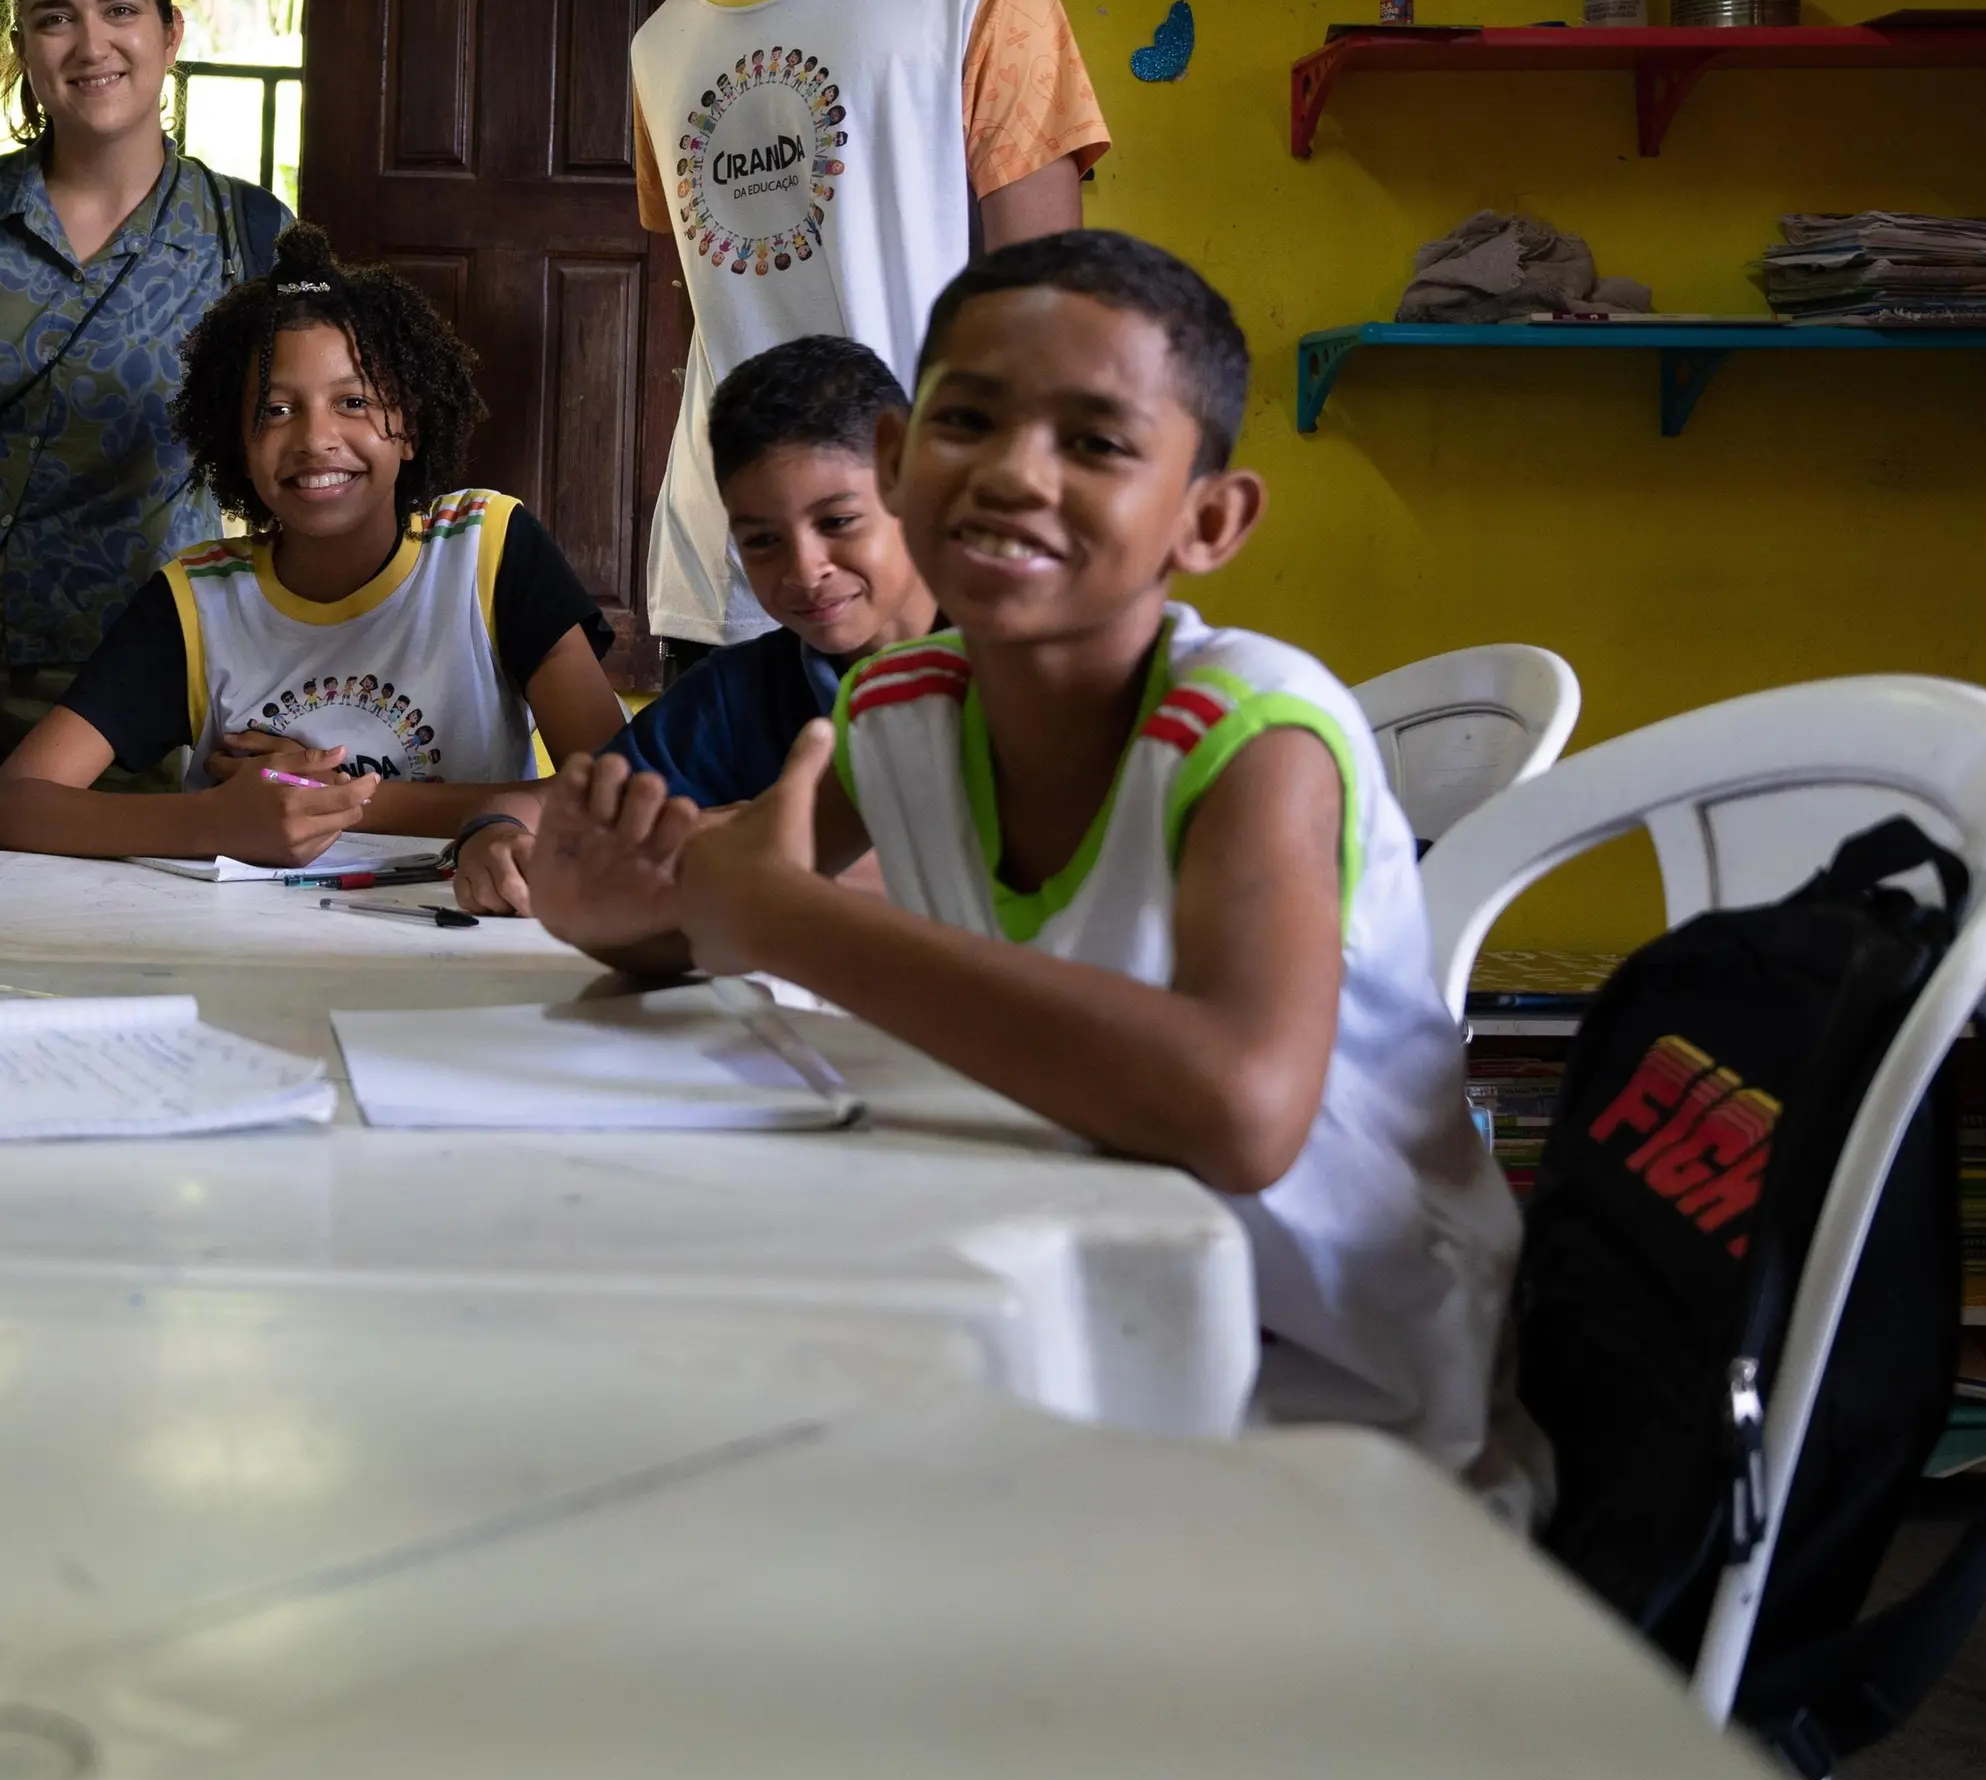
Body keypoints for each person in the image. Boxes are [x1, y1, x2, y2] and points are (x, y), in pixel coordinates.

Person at [523, 231, 1525, 1493]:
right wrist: (599, 908)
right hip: (1067, 1310)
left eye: (1096, 442)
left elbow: (1239, 1108)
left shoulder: (1254, 729)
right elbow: (717, 902)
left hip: (1348, 1399)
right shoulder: (903, 706)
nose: (1010, 472)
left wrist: (784, 920)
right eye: (969, 420)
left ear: (1208, 519)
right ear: (900, 464)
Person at [633, 0, 1111, 678]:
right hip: (725, 589)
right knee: (721, 851)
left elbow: (1043, 326)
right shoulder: (661, 45)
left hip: (922, 578)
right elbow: (700, 321)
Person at [0, 224, 629, 867]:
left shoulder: (487, 547)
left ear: (411, 430)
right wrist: (215, 820)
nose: (316, 439)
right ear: (239, 447)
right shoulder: (199, 603)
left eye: (353, 402)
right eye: (277, 411)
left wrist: (332, 803)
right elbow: (6, 808)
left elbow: (618, 793)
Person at [0, 0, 292, 846]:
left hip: (128, 702)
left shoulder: (247, 238)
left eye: (120, 9)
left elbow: (298, 486)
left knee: (93, 960)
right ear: (22, 50)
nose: (91, 44)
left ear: (169, 32)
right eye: (53, 17)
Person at [452, 334, 933, 912]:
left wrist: (768, 840)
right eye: (762, 541)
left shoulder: (1012, 667)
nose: (805, 571)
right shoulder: (738, 695)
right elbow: (563, 807)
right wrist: (494, 834)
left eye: (838, 521)